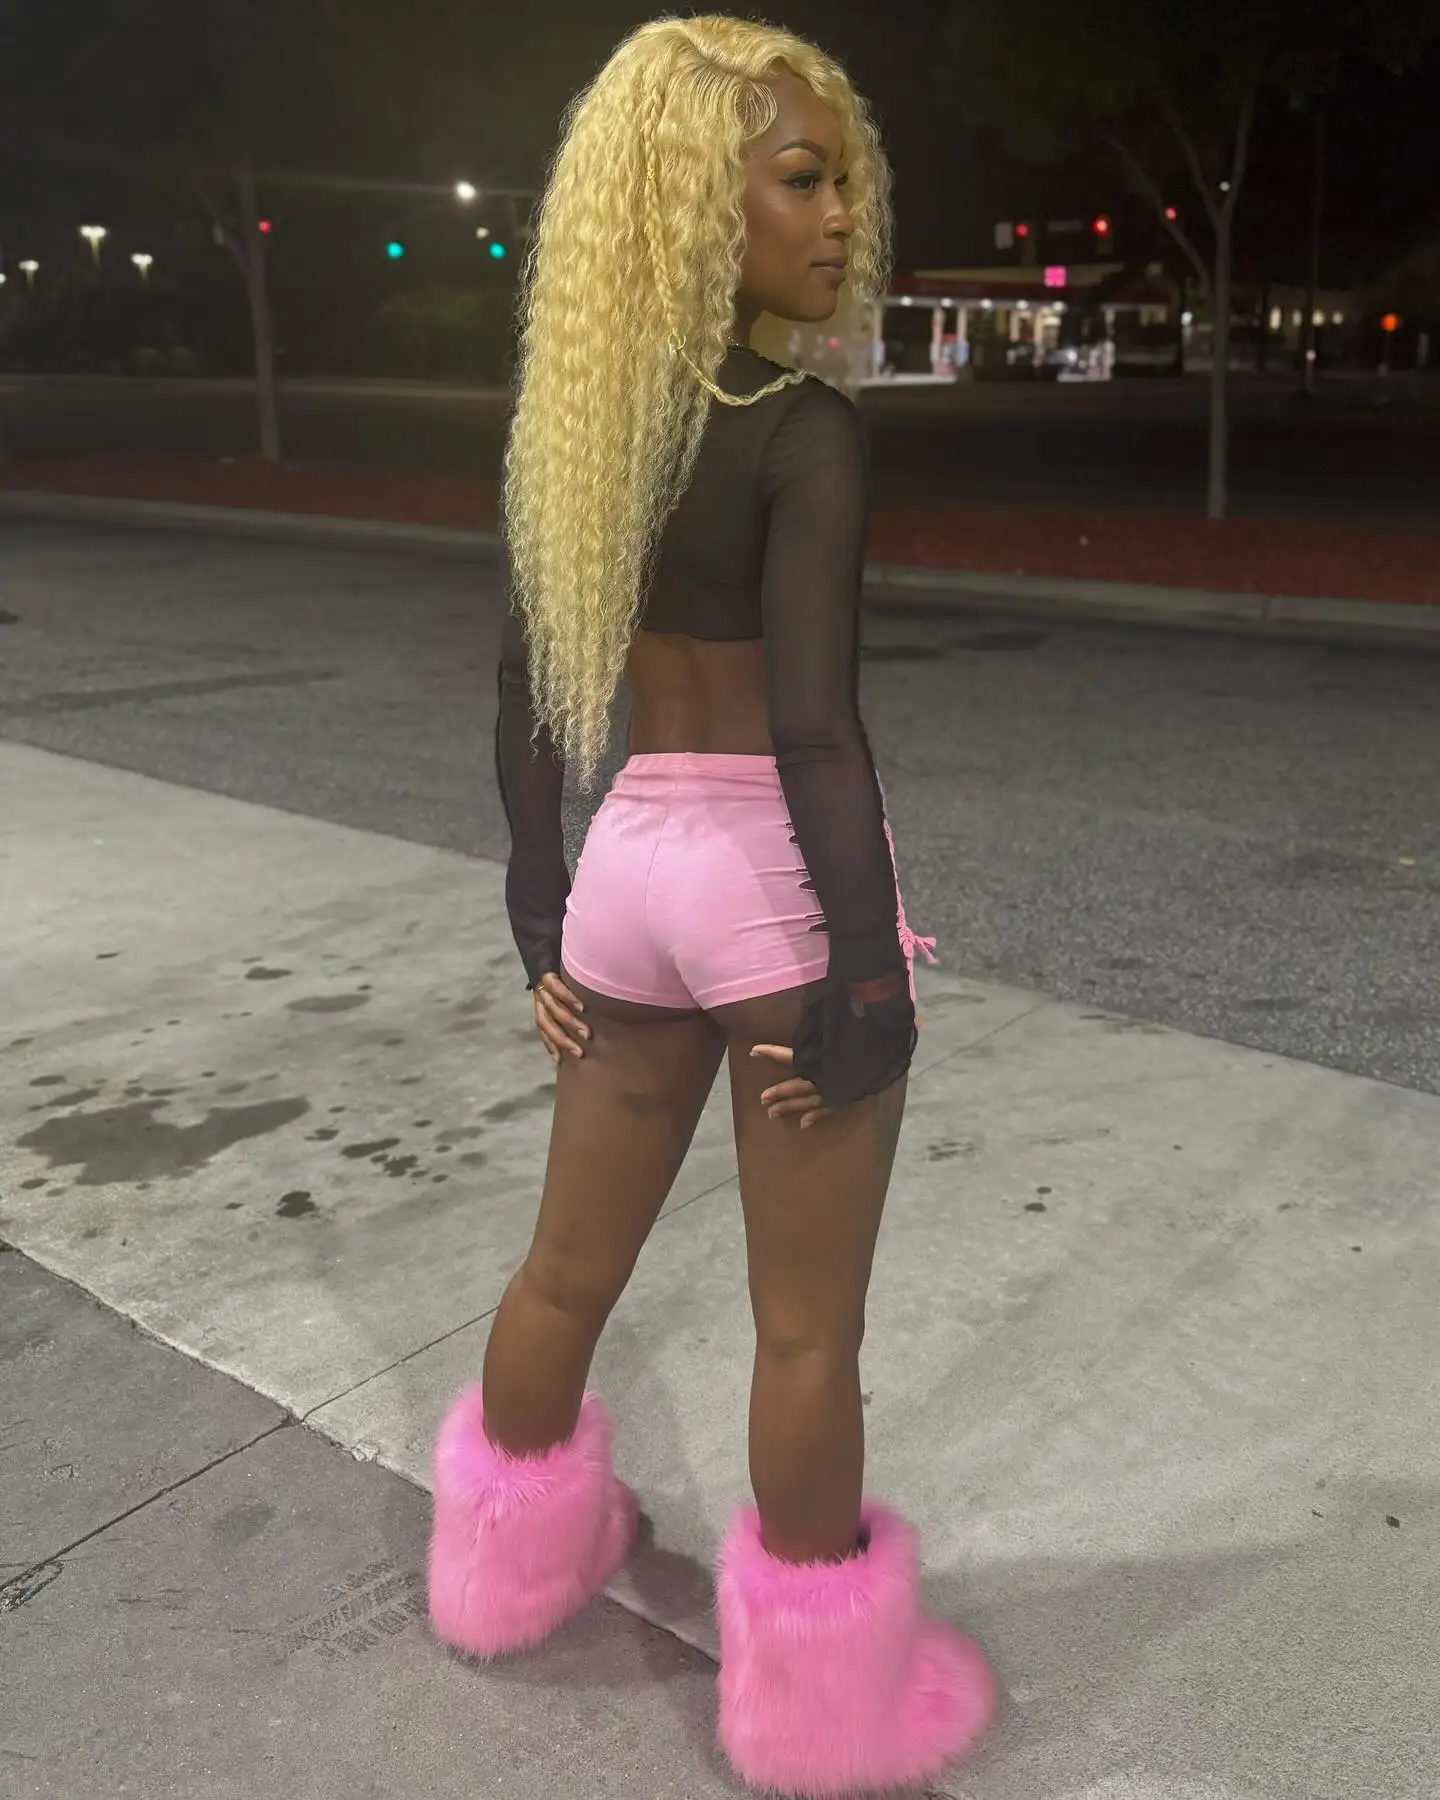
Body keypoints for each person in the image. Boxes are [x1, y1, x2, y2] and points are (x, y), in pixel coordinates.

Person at [426, 16, 995, 1794]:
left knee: (563, 1269)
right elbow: (818, 728)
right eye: (803, 180)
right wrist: (868, 978)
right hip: (767, 879)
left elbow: (527, 696)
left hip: (626, 870)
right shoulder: (801, 429)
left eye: (845, 183)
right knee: (807, 1328)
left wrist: (543, 915)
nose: (841, 219)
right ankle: (820, 1711)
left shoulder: (585, 429)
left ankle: (504, 1575)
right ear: (696, 203)